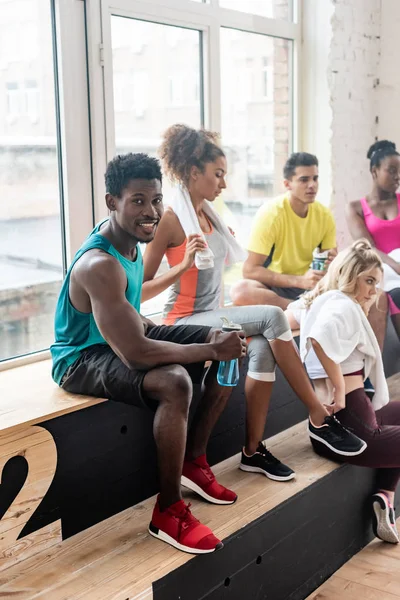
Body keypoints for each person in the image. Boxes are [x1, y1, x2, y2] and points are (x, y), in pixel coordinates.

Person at [142, 124, 366, 486]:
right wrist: (182, 267)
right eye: (218, 175)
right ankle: (319, 416)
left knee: (263, 345)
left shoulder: (209, 216)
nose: (224, 184)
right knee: (274, 316)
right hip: (182, 320)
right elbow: (139, 292)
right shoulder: (171, 220)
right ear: (193, 173)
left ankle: (252, 451)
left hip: (209, 314)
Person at [51, 153, 249, 555]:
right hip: (80, 358)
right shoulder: (99, 264)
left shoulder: (133, 239)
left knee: (226, 338)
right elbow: (137, 355)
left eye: (156, 200)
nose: (151, 211)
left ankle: (194, 460)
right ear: (112, 202)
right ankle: (169, 510)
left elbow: (131, 321)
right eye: (138, 201)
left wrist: (214, 345)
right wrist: (207, 349)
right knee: (175, 381)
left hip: (123, 334)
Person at [286, 240, 400, 544]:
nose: (374, 291)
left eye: (377, 283)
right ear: (349, 275)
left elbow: (286, 320)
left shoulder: (320, 300)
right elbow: (321, 337)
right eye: (369, 281)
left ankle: (384, 499)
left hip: (343, 423)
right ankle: (386, 495)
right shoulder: (344, 305)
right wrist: (337, 384)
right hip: (351, 432)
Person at [230, 152, 338, 310]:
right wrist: (298, 280)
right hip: (275, 286)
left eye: (315, 178)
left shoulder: (324, 215)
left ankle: (305, 307)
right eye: (304, 180)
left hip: (309, 285)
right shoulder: (271, 214)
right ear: (287, 184)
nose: (312, 185)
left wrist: (332, 264)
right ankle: (299, 309)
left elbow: (329, 260)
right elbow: (249, 270)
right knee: (240, 291)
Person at [346, 140, 400, 343]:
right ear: (375, 170)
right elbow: (367, 247)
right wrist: (395, 266)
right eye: (392, 170)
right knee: (394, 294)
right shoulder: (356, 208)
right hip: (379, 270)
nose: (398, 176)